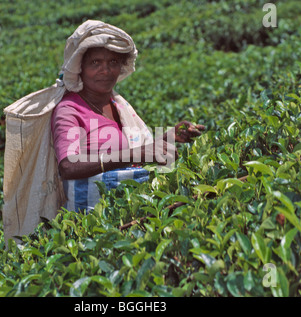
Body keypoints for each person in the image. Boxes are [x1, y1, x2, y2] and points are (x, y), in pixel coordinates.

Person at [51, 21, 205, 213]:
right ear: (80, 67)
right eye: (95, 63)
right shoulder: (70, 109)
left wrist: (170, 136)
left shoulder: (118, 104)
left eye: (113, 62)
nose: (105, 70)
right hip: (92, 218)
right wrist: (132, 155)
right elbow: (68, 167)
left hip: (130, 210)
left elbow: (131, 150)